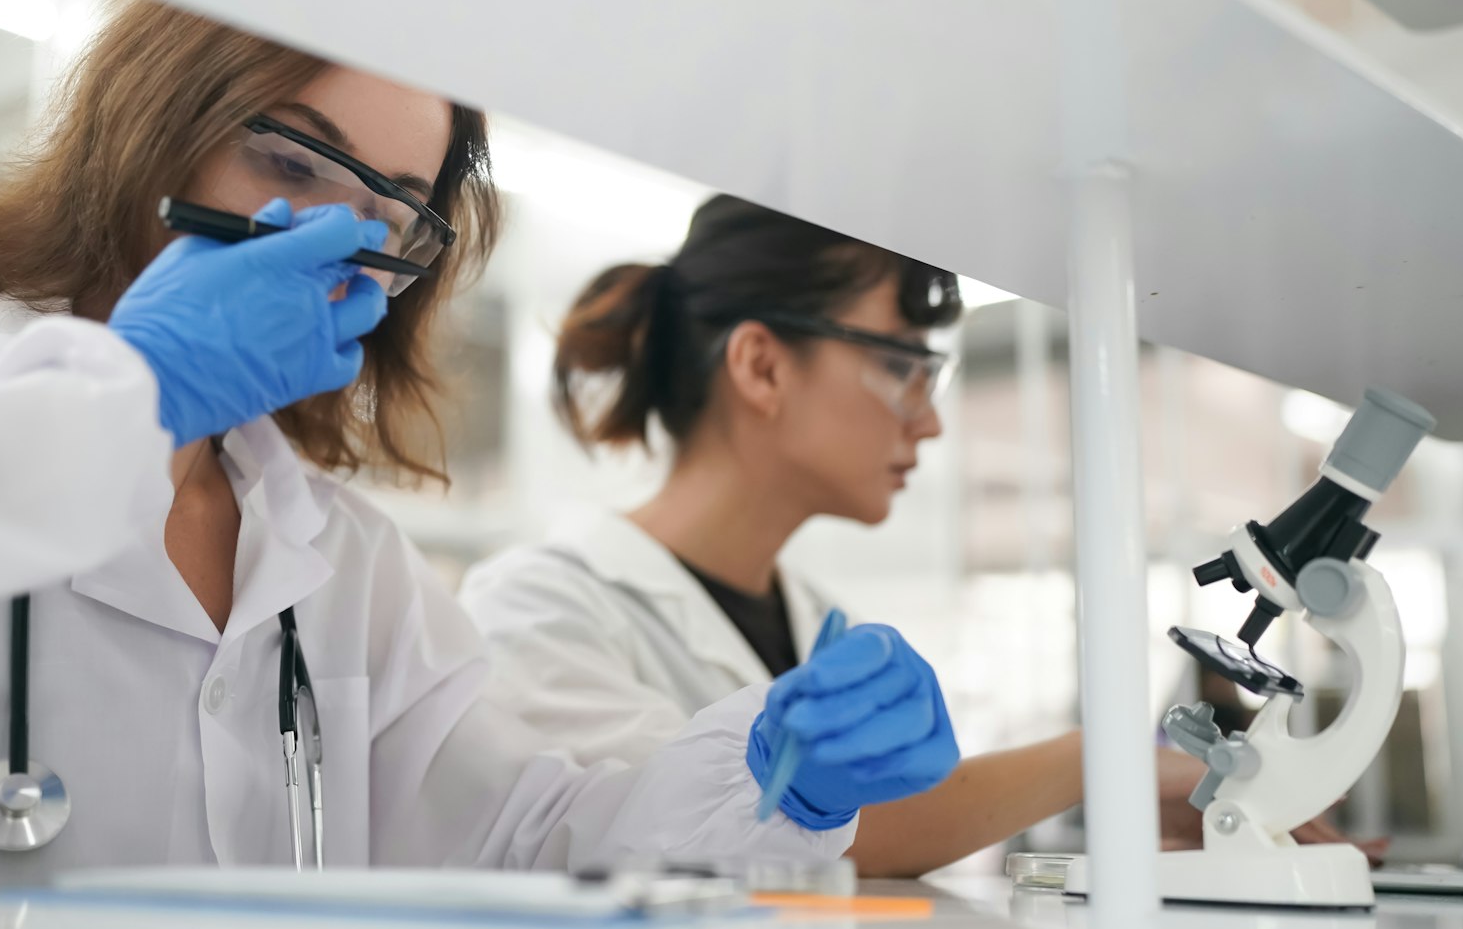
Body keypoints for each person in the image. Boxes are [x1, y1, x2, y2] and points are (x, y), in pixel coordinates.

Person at [0, 0, 958, 892]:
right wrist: (123, 393)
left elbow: (530, 845)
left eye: (396, 212)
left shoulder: (345, 574)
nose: (341, 236)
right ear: (153, 139)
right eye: (289, 163)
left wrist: (775, 778)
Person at [461, 194, 1372, 877]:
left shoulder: (821, 616)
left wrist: (1154, 824)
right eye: (902, 368)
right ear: (762, 365)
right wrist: (1107, 760)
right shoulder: (545, 607)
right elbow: (730, 837)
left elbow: (884, 837)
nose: (928, 425)